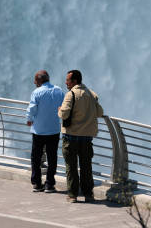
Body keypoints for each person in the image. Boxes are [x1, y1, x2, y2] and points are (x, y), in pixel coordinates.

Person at [58, 70, 104, 203]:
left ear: (74, 81)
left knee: (71, 167)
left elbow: (64, 114)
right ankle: (88, 194)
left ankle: (72, 195)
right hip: (87, 138)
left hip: (71, 137)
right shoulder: (91, 94)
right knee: (86, 167)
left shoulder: (70, 94)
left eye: (68, 80)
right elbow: (100, 112)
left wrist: (59, 111)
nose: (66, 82)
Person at [26, 70, 66, 193]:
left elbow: (32, 108)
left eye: (35, 80)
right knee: (52, 157)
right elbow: (64, 107)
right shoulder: (59, 90)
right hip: (54, 130)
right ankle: (49, 184)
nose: (34, 82)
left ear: (39, 80)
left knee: (36, 158)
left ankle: (37, 184)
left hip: (38, 130)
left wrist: (29, 119)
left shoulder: (37, 92)